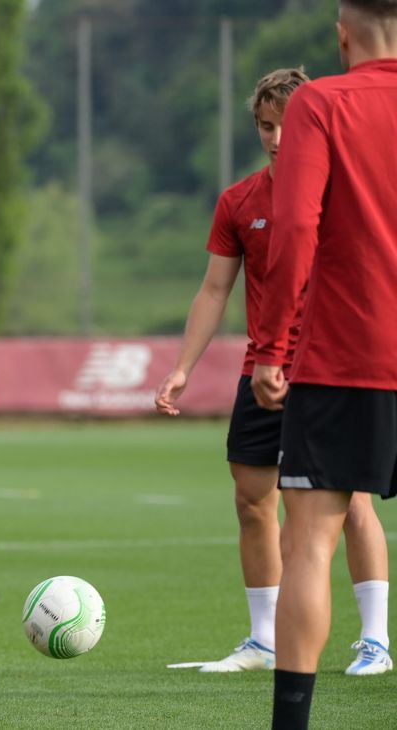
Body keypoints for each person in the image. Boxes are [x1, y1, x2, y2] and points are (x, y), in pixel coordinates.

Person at [154, 68, 390, 676]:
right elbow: (213, 291)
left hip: (331, 367)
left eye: (287, 123)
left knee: (353, 501)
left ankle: (376, 640)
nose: (278, 137)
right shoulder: (238, 201)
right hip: (263, 369)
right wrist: (183, 368)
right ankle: (264, 640)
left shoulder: (343, 193)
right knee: (251, 500)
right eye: (265, 125)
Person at [251, 2, 397, 726]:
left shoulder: (322, 102)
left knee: (308, 541)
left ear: (344, 29)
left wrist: (272, 347)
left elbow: (296, 226)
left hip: (349, 356)